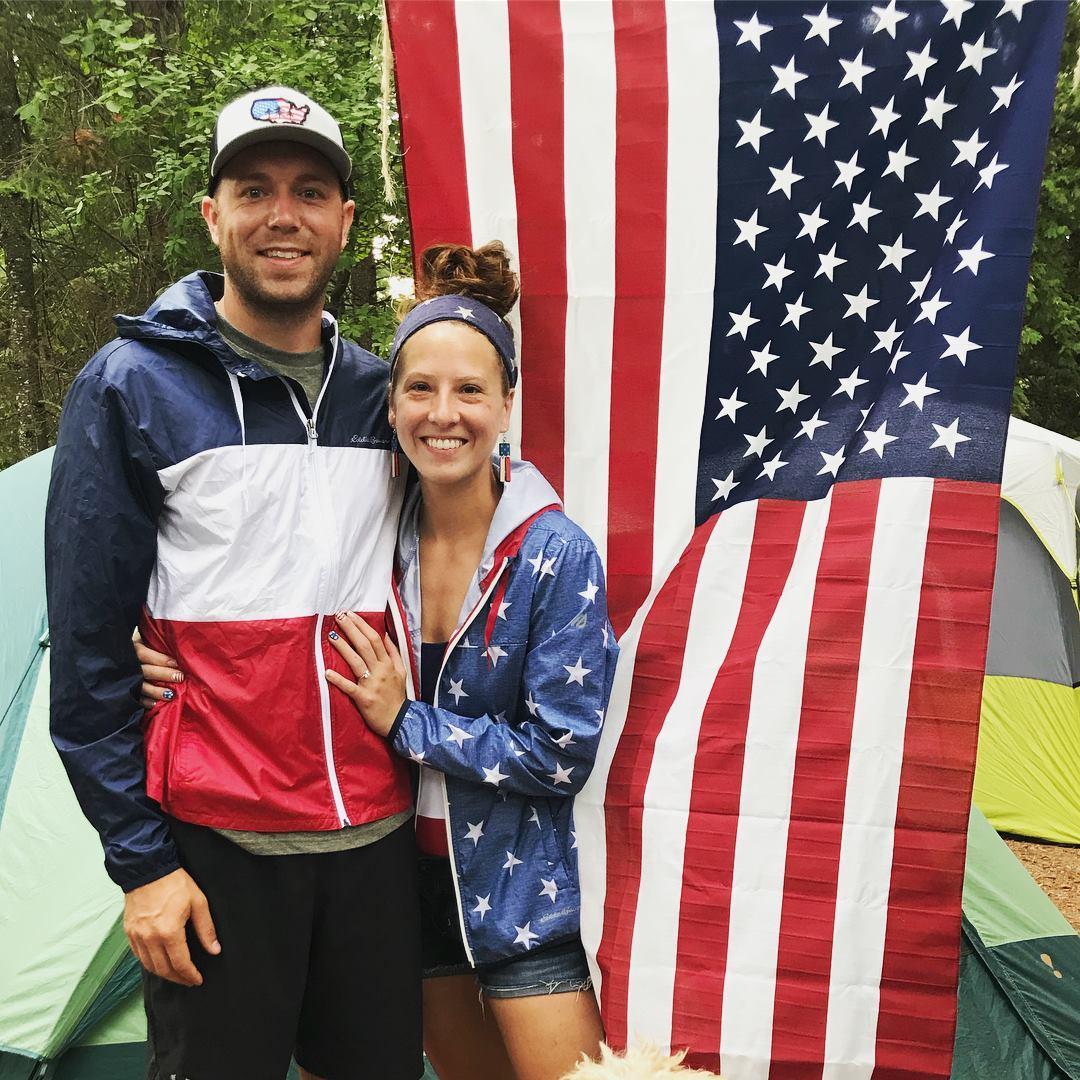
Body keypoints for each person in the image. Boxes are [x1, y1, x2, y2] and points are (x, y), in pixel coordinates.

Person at [45, 86, 422, 1080]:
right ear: (213, 214)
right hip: (215, 854)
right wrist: (142, 867)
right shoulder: (129, 385)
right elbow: (86, 656)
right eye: (253, 189)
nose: (282, 214)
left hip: (378, 844)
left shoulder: (389, 395)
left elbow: (469, 563)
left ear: (345, 220)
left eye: (309, 190)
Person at [326, 241, 616, 1080]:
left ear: (507, 403)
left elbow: (561, 754)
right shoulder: (367, 538)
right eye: (420, 388)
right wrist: (152, 651)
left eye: (469, 391)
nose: (442, 413)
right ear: (391, 403)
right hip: (396, 883)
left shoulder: (554, 554)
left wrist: (407, 722)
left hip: (518, 889)